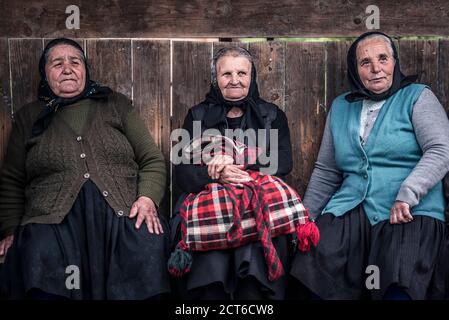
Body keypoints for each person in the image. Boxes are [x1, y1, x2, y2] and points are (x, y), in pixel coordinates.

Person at [0, 38, 171, 299]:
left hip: (121, 216)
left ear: (85, 70)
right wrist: (10, 230)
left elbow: (152, 159)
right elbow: (12, 180)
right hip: (51, 222)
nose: (67, 68)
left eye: (75, 62)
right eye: (57, 63)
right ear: (45, 74)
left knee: (146, 242)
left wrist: (146, 198)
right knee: (37, 253)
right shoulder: (29, 116)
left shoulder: (115, 104)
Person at [289, 31, 449, 300]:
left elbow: (441, 149)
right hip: (352, 208)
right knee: (312, 271)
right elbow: (327, 171)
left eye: (383, 59)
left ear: (394, 63)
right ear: (355, 69)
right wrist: (306, 219)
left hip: (410, 210)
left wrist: (408, 194)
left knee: (399, 281)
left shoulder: (417, 97)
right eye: (366, 62)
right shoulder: (341, 107)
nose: (376, 68)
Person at [172, 46, 294, 300]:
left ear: (252, 77)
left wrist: (236, 161)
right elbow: (182, 173)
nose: (235, 80)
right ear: (215, 79)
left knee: (254, 274)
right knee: (211, 276)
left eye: (242, 73)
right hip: (208, 205)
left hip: (256, 201)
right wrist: (215, 174)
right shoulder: (198, 115)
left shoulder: (272, 115)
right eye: (226, 74)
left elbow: (283, 162)